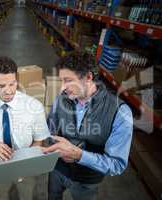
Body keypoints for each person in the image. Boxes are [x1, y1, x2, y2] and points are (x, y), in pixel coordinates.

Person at [43, 52, 133, 200]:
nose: (62, 88)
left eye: (68, 81)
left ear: (89, 77)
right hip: (57, 170)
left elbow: (117, 164)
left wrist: (80, 155)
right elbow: (48, 130)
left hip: (87, 181)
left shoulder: (119, 111)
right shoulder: (61, 100)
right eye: (61, 81)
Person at [0, 56, 50, 200]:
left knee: (26, 195)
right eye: (1, 86)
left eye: (12, 84)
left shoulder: (34, 106)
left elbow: (39, 140)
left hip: (26, 164)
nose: (8, 91)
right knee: (1, 194)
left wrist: (25, 165)